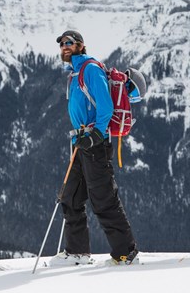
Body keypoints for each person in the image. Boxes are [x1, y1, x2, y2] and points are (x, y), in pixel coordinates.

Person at [49, 30, 139, 266]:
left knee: (103, 198)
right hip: (80, 142)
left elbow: (106, 106)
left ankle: (126, 253)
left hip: (95, 143)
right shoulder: (75, 72)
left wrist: (97, 134)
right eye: (62, 44)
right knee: (70, 198)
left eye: (69, 43)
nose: (65, 47)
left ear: (81, 45)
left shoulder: (90, 69)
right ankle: (77, 252)